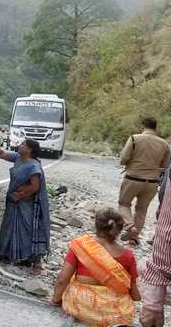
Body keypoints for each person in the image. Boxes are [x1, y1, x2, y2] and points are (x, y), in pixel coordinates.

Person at [50, 208, 140, 327]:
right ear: (119, 229)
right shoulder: (128, 255)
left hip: (80, 308)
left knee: (72, 280)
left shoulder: (81, 245)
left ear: (96, 224)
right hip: (115, 316)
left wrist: (55, 300)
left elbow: (62, 279)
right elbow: (135, 295)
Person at [0, 136, 50, 274]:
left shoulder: (33, 166)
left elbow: (35, 186)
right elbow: (2, 154)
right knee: (9, 226)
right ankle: (8, 254)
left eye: (23, 144)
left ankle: (32, 260)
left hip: (25, 204)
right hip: (13, 202)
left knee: (27, 230)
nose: (19, 145)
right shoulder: (18, 158)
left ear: (29, 150)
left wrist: (20, 195)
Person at [118, 117, 170, 245]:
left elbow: (123, 159)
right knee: (142, 208)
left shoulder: (134, 139)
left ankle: (130, 227)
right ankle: (134, 237)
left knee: (124, 204)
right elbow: (164, 165)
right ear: (155, 128)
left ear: (142, 127)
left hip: (133, 178)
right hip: (152, 182)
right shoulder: (164, 144)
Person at [138, 170, 171, 327]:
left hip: (138, 178)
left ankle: (133, 231)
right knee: (141, 209)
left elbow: (167, 227)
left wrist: (153, 304)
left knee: (134, 207)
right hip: (149, 182)